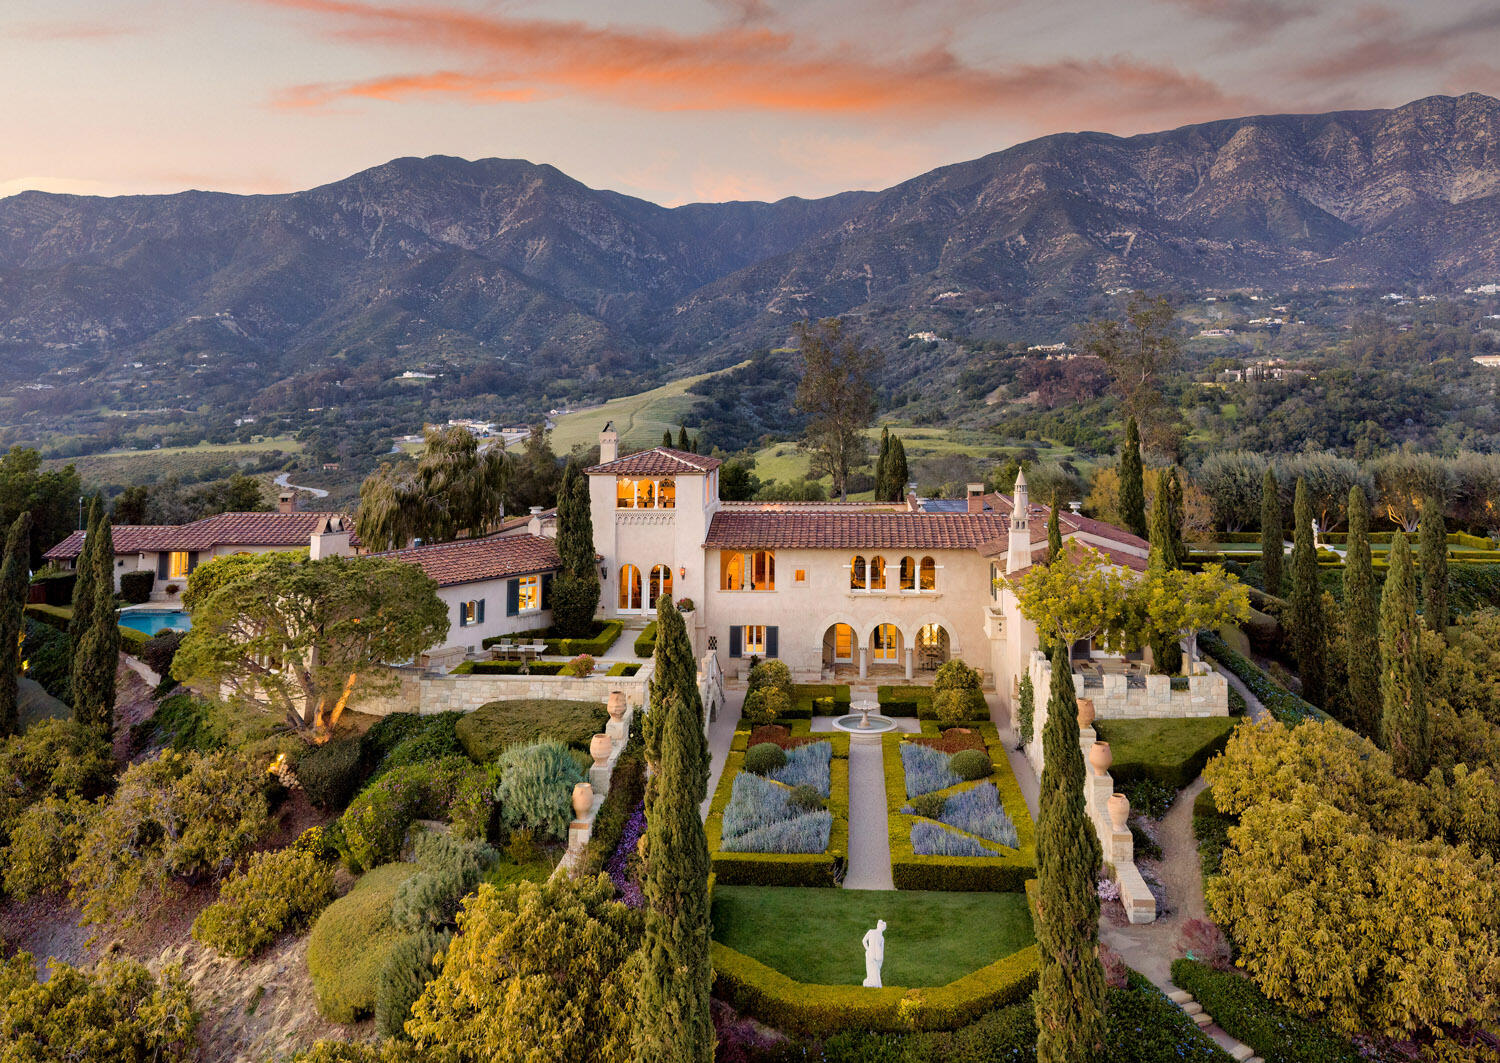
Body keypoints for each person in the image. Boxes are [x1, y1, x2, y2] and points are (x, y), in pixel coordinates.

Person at [862, 919, 887, 988]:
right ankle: (872, 983)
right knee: (871, 970)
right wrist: (868, 949)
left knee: (875, 970)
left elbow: (882, 949)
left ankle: (875, 984)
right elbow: (864, 941)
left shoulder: (881, 937)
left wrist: (868, 950)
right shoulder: (871, 932)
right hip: (872, 955)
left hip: (877, 956)